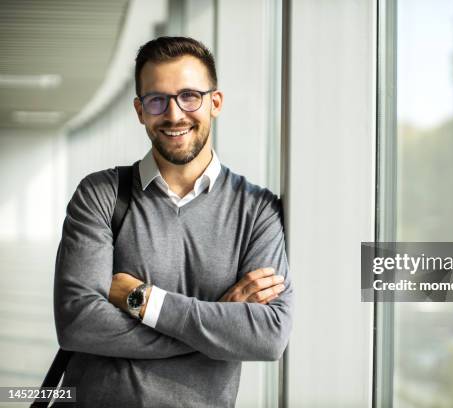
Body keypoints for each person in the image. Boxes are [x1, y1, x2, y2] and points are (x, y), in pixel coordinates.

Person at [53, 36, 293, 407]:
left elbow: (268, 336)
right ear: (140, 110)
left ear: (215, 102)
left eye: (189, 96)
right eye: (157, 100)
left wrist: (143, 301)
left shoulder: (258, 210)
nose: (174, 114)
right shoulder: (100, 194)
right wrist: (220, 328)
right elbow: (78, 323)